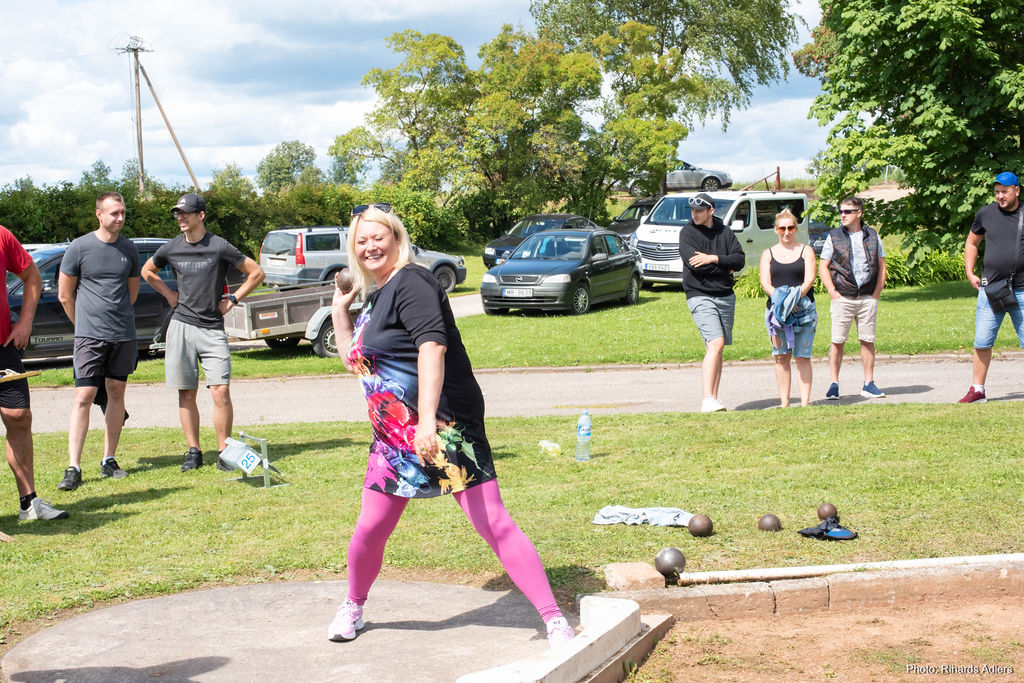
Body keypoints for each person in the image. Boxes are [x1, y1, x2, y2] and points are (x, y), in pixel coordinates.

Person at [326, 203, 574, 648]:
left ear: (397, 239)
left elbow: (432, 350)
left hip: (443, 425)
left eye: (378, 237)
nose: (370, 247)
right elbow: (354, 361)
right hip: (393, 439)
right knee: (370, 529)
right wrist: (341, 311)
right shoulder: (378, 294)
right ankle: (354, 605)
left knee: (492, 523)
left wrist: (425, 425)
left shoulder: (412, 281)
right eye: (361, 241)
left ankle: (553, 619)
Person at [140, 193, 264, 471]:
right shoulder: (171, 248)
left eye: (185, 213)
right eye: (177, 213)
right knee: (186, 393)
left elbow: (256, 273)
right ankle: (193, 451)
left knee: (220, 391)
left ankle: (224, 451)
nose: (180, 217)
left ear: (201, 215)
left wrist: (231, 300)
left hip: (211, 328)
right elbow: (148, 271)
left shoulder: (219, 246)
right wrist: (169, 295)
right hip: (181, 326)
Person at [56, 192, 140, 491]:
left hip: (123, 335)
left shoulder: (129, 248)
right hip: (89, 336)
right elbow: (65, 295)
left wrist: (116, 320)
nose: (119, 218)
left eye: (123, 213)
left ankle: (109, 460)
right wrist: (84, 326)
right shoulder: (79, 248)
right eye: (114, 213)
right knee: (84, 396)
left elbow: (131, 294)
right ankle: (73, 467)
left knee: (116, 391)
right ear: (99, 215)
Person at [0, 225, 68, 521]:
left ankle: (29, 503)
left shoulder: (2, 235)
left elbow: (32, 277)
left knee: (19, 416)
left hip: (3, 345)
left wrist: (25, 322)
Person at [678, 192, 745, 412]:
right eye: (693, 210)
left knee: (716, 347)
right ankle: (707, 399)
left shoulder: (725, 232)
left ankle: (714, 398)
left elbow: (740, 259)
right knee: (715, 343)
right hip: (699, 293)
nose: (695, 214)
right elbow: (695, 264)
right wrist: (726, 266)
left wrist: (714, 258)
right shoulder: (687, 233)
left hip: (725, 294)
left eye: (699, 210)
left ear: (710, 211)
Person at [960, 172, 1023, 403]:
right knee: (982, 341)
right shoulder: (985, 213)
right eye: (997, 191)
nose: (1000, 196)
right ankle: (977, 390)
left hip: (1023, 290)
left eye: (1004, 191)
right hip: (992, 289)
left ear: (1016, 190)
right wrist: (969, 271)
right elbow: (971, 242)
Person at [818, 196, 887, 400]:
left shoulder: (873, 236)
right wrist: (833, 292)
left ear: (859, 213)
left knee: (867, 340)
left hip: (867, 297)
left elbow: (881, 265)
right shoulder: (834, 236)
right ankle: (834, 384)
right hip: (843, 298)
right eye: (841, 211)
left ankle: (869, 383)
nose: (843, 215)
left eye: (847, 211)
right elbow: (823, 265)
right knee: (837, 341)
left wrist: (876, 294)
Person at [760, 209, 817, 407]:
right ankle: (784, 403)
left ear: (796, 229)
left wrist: (793, 300)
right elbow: (765, 284)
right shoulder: (768, 254)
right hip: (777, 314)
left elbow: (809, 279)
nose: (787, 232)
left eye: (790, 227)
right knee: (781, 357)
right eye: (782, 228)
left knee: (803, 356)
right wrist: (782, 302)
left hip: (804, 312)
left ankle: (804, 403)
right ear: (776, 230)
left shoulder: (806, 251)